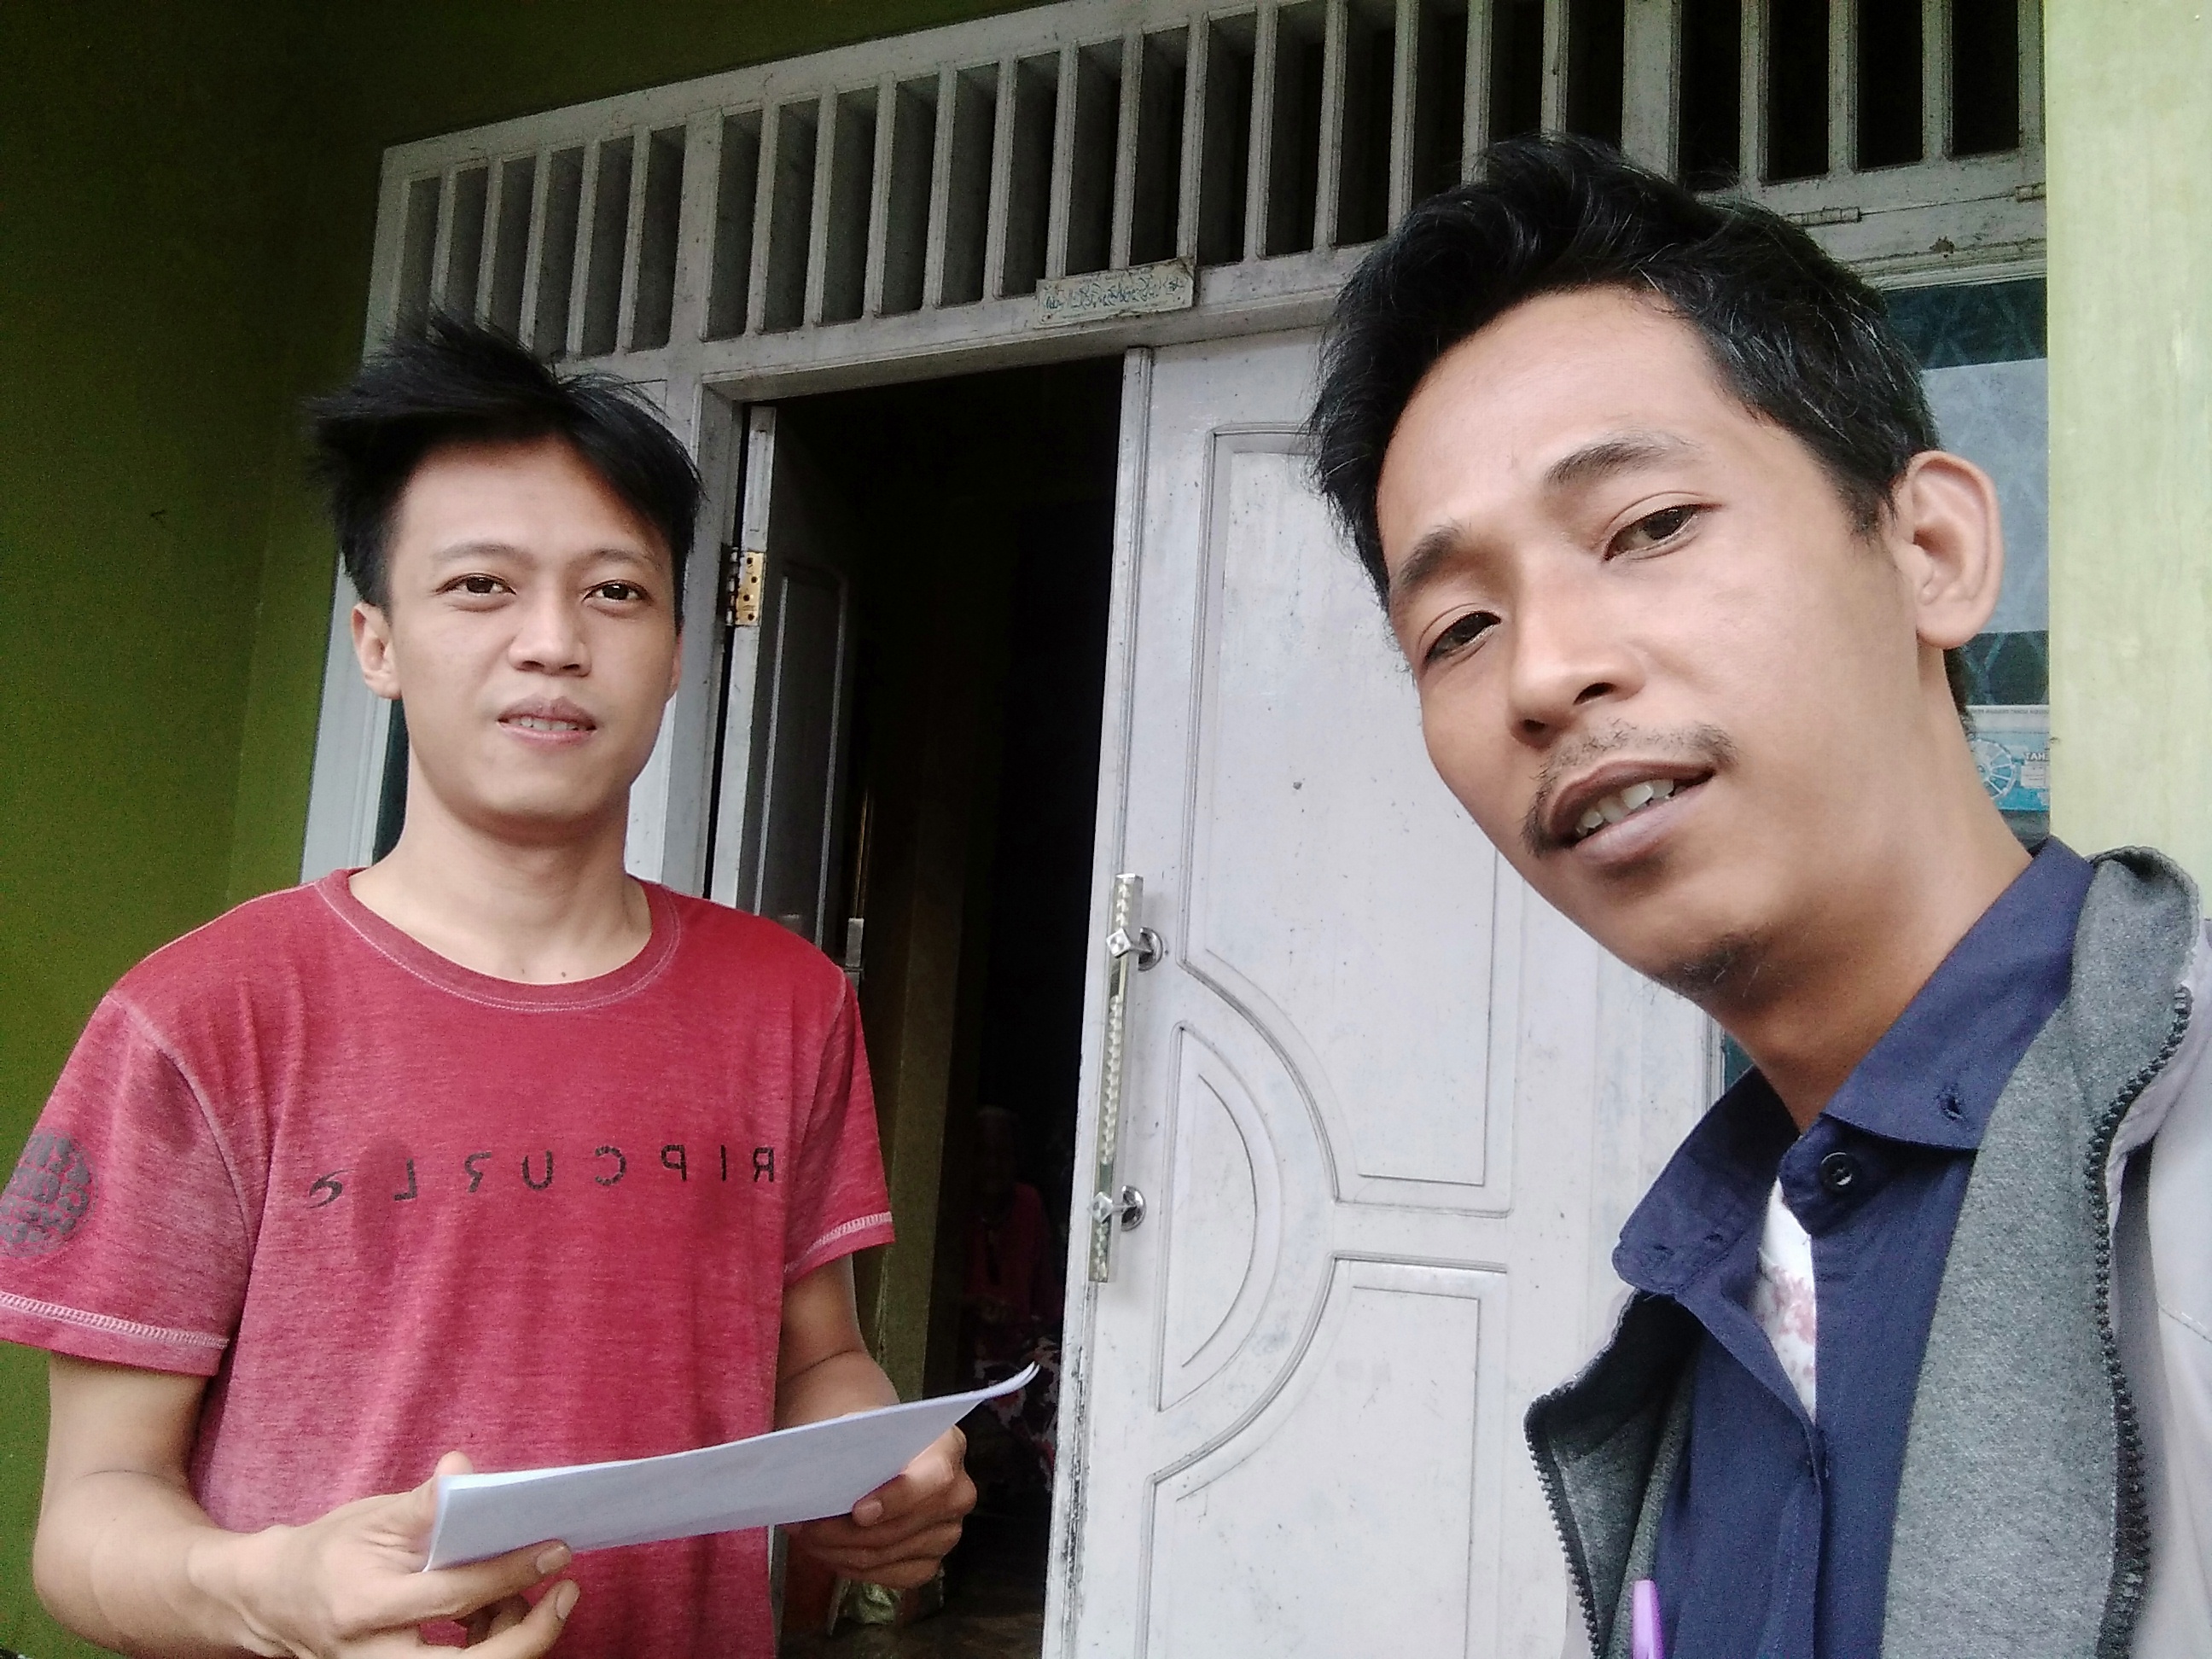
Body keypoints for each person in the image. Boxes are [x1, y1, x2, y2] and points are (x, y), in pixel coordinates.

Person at [1307, 136, 2211, 1659]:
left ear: (1932, 550)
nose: (1544, 673)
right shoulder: (1706, 1292)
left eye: (1649, 527)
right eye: (1459, 629)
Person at [0, 317, 973, 1657]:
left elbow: (818, 1360)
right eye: (479, 587)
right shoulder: (202, 1019)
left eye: (615, 592)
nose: (553, 642)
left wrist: (872, 1473)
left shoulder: (789, 1002)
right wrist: (278, 1595)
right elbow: (90, 1518)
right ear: (377, 642)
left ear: (678, 650)